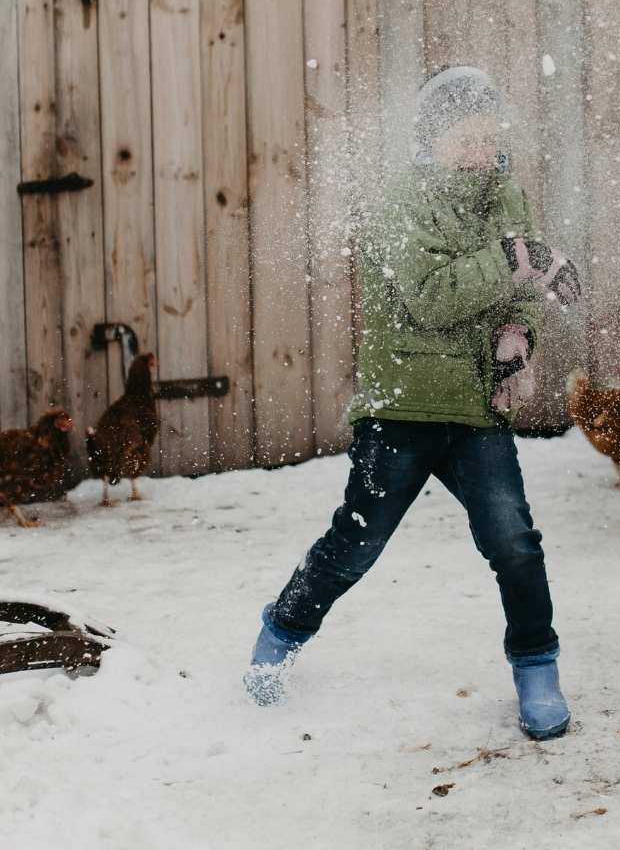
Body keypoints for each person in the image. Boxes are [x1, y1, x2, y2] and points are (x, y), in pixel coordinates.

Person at [245, 66, 584, 741]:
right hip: (401, 408)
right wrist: (517, 259)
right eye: (464, 137)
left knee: (514, 543)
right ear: (431, 139)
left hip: (476, 410)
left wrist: (519, 335)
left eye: (488, 137)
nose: (478, 151)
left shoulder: (503, 194)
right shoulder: (404, 201)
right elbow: (432, 298)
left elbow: (518, 285)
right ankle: (280, 633)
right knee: (355, 545)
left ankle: (537, 668)